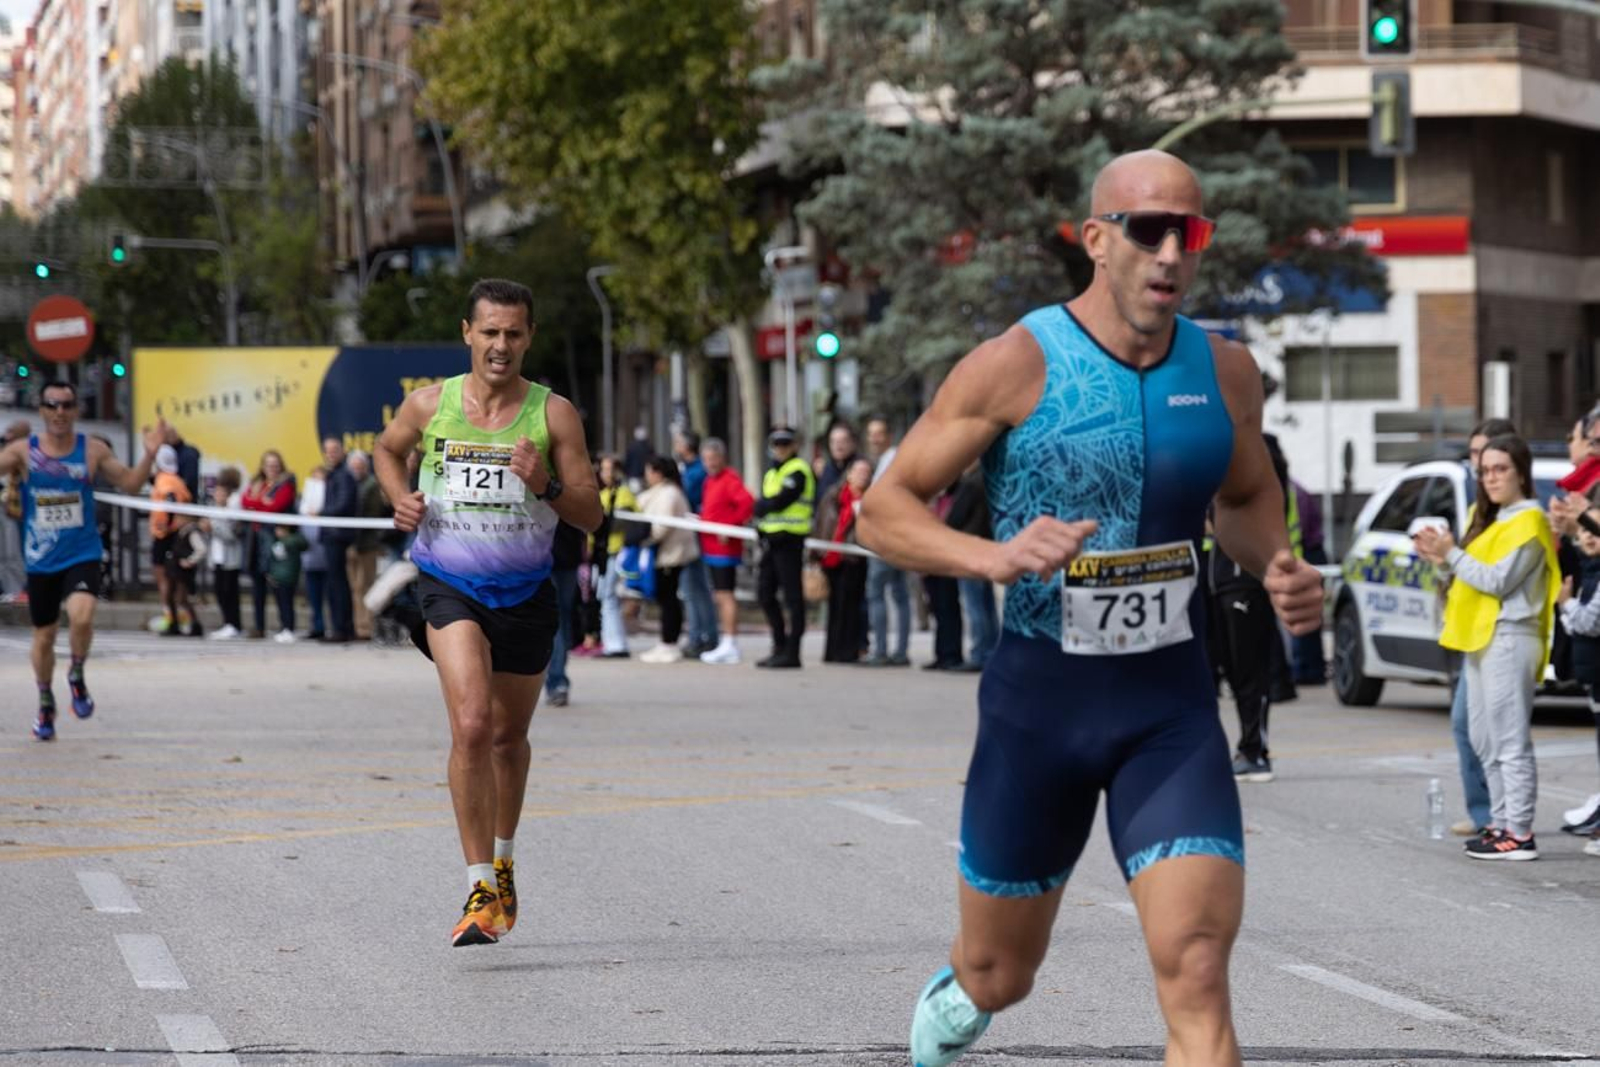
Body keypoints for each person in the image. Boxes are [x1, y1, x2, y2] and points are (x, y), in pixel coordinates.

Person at [855, 150, 1323, 1067]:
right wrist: (991, 554)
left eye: (1189, 232)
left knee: (1195, 966)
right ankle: (961, 994)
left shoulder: (1225, 372)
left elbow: (1243, 497)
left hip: (1169, 711)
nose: (1171, 252)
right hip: (1040, 711)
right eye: (1149, 229)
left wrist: (1278, 564)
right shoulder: (1016, 363)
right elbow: (884, 509)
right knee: (1001, 972)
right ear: (1097, 239)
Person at [374, 277, 601, 948]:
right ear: (467, 333)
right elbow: (387, 450)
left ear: (529, 337)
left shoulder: (553, 413)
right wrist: (400, 498)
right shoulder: (429, 404)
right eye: (490, 332)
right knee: (471, 723)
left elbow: (591, 512)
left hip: (527, 592)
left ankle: (503, 860)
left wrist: (547, 484)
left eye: (513, 333)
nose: (501, 345)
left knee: (507, 738)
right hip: (450, 583)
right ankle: (477, 884)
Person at [1415, 433, 1558, 861]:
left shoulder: (1529, 522)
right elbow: (1470, 579)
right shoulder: (1493, 518)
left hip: (1511, 636)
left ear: (1520, 473)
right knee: (1484, 738)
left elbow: (1498, 581)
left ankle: (1520, 831)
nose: (1491, 478)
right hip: (1481, 637)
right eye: (1485, 471)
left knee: (1509, 740)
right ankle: (1500, 823)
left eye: (1501, 469)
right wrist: (1442, 559)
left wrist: (1452, 553)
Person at [0, 381, 166, 739]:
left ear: (76, 410)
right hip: (41, 558)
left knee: (82, 615)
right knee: (43, 636)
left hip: (82, 552)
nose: (60, 412)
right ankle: (45, 702)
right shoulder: (23, 452)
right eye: (52, 405)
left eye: (67, 405)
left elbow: (132, 484)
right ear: (42, 410)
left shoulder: (90, 451)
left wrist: (150, 454)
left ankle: (76, 672)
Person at [1442, 417, 1517, 835]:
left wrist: (1452, 555)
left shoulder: (1516, 516)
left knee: (1499, 735)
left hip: (1501, 634)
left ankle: (1502, 819)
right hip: (1473, 631)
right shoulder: (1478, 509)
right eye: (1473, 456)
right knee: (1468, 726)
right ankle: (1485, 812)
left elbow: (1495, 575)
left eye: (1485, 456)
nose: (1478, 465)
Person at [1207, 510, 1277, 782]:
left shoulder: (1249, 473)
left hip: (1244, 584)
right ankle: (1244, 751)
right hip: (1218, 583)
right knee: (1232, 674)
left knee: (1250, 670)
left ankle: (1256, 753)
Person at [1557, 496, 1600, 854]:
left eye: (1594, 530)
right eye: (1584, 531)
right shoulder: (1589, 569)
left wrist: (1566, 606)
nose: (1589, 537)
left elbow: (1588, 622)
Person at [753, 426, 815, 669]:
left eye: (785, 444)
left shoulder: (798, 470)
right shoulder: (772, 473)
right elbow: (768, 505)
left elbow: (781, 501)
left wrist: (761, 506)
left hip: (790, 540)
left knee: (793, 598)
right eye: (777, 444)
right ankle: (779, 645)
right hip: (771, 541)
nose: (780, 448)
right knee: (765, 593)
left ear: (794, 446)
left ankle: (793, 652)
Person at [636, 455, 699, 664]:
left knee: (669, 598)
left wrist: (645, 539)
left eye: (649, 471)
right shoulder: (661, 492)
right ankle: (666, 641)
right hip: (664, 554)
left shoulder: (670, 494)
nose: (646, 475)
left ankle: (670, 643)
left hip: (671, 554)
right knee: (666, 598)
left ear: (658, 472)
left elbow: (662, 525)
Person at [697, 437, 753, 665]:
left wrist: (730, 527)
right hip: (710, 546)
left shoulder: (730, 479)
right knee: (719, 595)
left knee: (725, 594)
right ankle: (726, 639)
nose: (710, 463)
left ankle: (730, 642)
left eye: (714, 458)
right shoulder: (709, 481)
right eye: (707, 459)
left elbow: (747, 503)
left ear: (722, 458)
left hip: (724, 549)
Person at [862, 416, 912, 667]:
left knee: (877, 592)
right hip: (898, 536)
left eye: (878, 433)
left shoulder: (892, 459)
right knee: (899, 593)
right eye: (871, 434)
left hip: (887, 536)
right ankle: (899, 651)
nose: (874, 439)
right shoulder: (886, 460)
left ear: (889, 436)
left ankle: (882, 650)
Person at [817, 456, 872, 663]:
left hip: (855, 558)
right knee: (835, 605)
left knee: (852, 606)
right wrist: (817, 552)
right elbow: (822, 522)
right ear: (849, 474)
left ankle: (849, 650)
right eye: (858, 471)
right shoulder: (835, 495)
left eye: (866, 472)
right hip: (833, 555)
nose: (862, 476)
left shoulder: (870, 499)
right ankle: (833, 650)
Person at [946, 463, 997, 672]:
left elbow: (955, 518)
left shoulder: (970, 483)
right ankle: (991, 651)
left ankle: (979, 653)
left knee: (975, 605)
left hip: (968, 550)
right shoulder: (988, 480)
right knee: (987, 605)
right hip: (986, 546)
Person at [241, 451, 297, 638]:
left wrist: (257, 502)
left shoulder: (286, 485)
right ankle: (259, 626)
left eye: (275, 465)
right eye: (268, 465)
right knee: (257, 585)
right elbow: (245, 501)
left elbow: (275, 507)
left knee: (278, 584)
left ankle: (287, 627)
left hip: (275, 540)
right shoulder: (258, 483)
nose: (271, 469)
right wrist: (260, 502)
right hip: (256, 539)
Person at [673, 428, 718, 656]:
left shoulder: (695, 473)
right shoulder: (691, 470)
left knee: (693, 587)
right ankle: (706, 634)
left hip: (695, 536)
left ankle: (700, 636)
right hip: (694, 534)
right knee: (697, 587)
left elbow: (687, 497)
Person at [587, 454, 637, 658]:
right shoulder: (602, 493)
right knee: (603, 596)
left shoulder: (623, 493)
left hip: (616, 550)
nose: (606, 473)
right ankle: (609, 640)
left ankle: (615, 644)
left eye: (610, 469)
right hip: (600, 551)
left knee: (609, 596)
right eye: (603, 469)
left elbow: (620, 523)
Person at [149, 444, 194, 635]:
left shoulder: (165, 480)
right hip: (172, 534)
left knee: (167, 580)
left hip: (166, 536)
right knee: (175, 581)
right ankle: (180, 618)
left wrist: (166, 526)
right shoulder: (175, 479)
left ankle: (173, 618)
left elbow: (170, 502)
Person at [319, 436, 359, 643]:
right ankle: (341, 628)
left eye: (334, 450)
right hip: (332, 533)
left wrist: (320, 513)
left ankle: (341, 629)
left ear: (342, 451)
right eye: (327, 450)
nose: (330, 454)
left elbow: (342, 504)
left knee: (338, 584)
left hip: (337, 534)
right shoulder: (333, 474)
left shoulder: (343, 475)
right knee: (336, 583)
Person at [543, 521, 585, 704]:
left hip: (548, 557)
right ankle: (558, 680)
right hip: (568, 554)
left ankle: (557, 680)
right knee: (563, 618)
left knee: (557, 620)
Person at [347, 451, 386, 641]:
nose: (356, 469)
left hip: (367, 545)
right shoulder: (351, 484)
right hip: (352, 544)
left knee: (366, 587)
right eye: (353, 466)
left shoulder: (371, 485)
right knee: (355, 588)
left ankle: (366, 627)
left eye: (359, 465)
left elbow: (371, 514)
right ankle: (357, 626)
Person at [204, 467, 246, 639]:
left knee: (230, 591)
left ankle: (233, 624)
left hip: (230, 557)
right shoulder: (214, 506)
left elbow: (231, 533)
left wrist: (212, 526)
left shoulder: (233, 505)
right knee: (220, 591)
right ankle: (227, 623)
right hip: (217, 556)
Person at [163, 512, 207, 638]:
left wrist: (190, 561)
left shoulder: (192, 532)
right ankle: (174, 623)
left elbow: (201, 549)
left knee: (182, 598)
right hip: (174, 569)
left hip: (183, 572)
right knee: (169, 596)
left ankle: (195, 624)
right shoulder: (180, 532)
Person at [0, 418, 29, 601]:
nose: (7, 441)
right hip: (5, 511)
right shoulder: (6, 455)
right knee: (6, 552)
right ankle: (10, 590)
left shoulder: (28, 455)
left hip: (23, 513)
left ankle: (19, 591)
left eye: (12, 436)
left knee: (16, 554)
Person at [267, 524, 308, 643]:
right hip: (278, 578)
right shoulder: (276, 542)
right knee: (281, 605)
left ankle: (289, 628)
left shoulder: (292, 542)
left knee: (286, 604)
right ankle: (284, 628)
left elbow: (302, 545)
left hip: (288, 578)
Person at [815, 421, 859, 503]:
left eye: (843, 441)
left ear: (852, 443)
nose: (838, 445)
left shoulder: (860, 467)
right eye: (833, 441)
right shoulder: (826, 469)